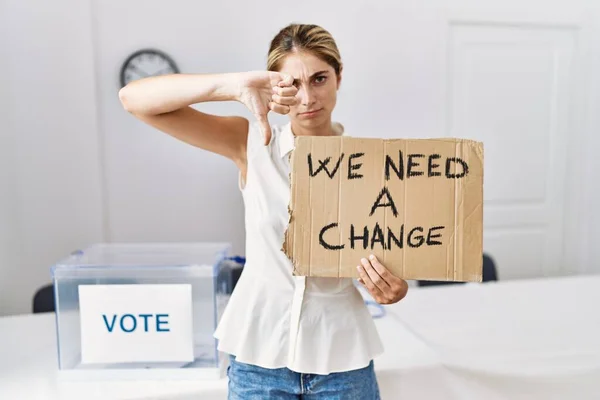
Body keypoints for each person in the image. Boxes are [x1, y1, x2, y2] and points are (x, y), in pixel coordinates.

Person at [119, 23, 409, 400]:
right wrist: (234, 86)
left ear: (339, 76)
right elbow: (132, 99)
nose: (308, 98)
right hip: (259, 359)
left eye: (319, 79)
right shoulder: (253, 145)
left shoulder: (375, 165)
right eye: (292, 84)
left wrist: (395, 287)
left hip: (342, 360)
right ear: (274, 86)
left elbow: (392, 253)